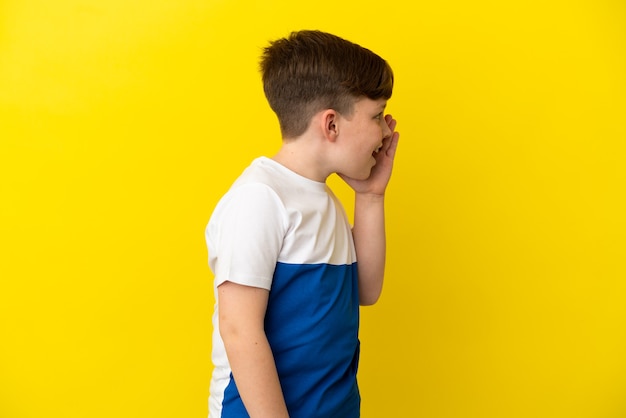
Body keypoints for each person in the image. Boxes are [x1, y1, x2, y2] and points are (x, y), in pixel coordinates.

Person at [205, 30, 399, 418]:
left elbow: (366, 289)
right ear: (331, 125)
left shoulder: (322, 199)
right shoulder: (260, 198)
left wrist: (371, 196)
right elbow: (239, 330)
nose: (385, 131)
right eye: (376, 116)